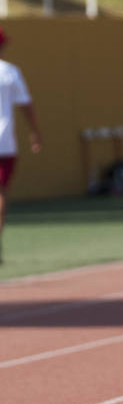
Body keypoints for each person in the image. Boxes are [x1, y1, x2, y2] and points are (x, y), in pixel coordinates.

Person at [0, 27, 42, 264]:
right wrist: (36, 133)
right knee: (1, 193)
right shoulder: (10, 72)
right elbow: (27, 105)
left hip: (6, 144)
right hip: (5, 143)